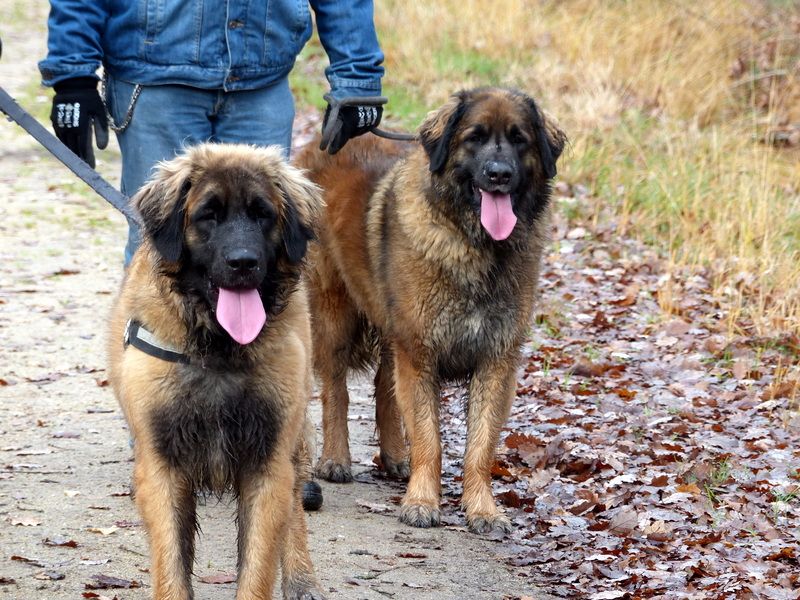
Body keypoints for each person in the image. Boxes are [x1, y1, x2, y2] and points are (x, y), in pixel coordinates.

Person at [39, 0, 384, 265]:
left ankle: (253, 357)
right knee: (160, 245)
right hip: (154, 80)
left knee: (268, 246)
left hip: (262, 81)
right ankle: (155, 357)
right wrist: (74, 77)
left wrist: (357, 79)